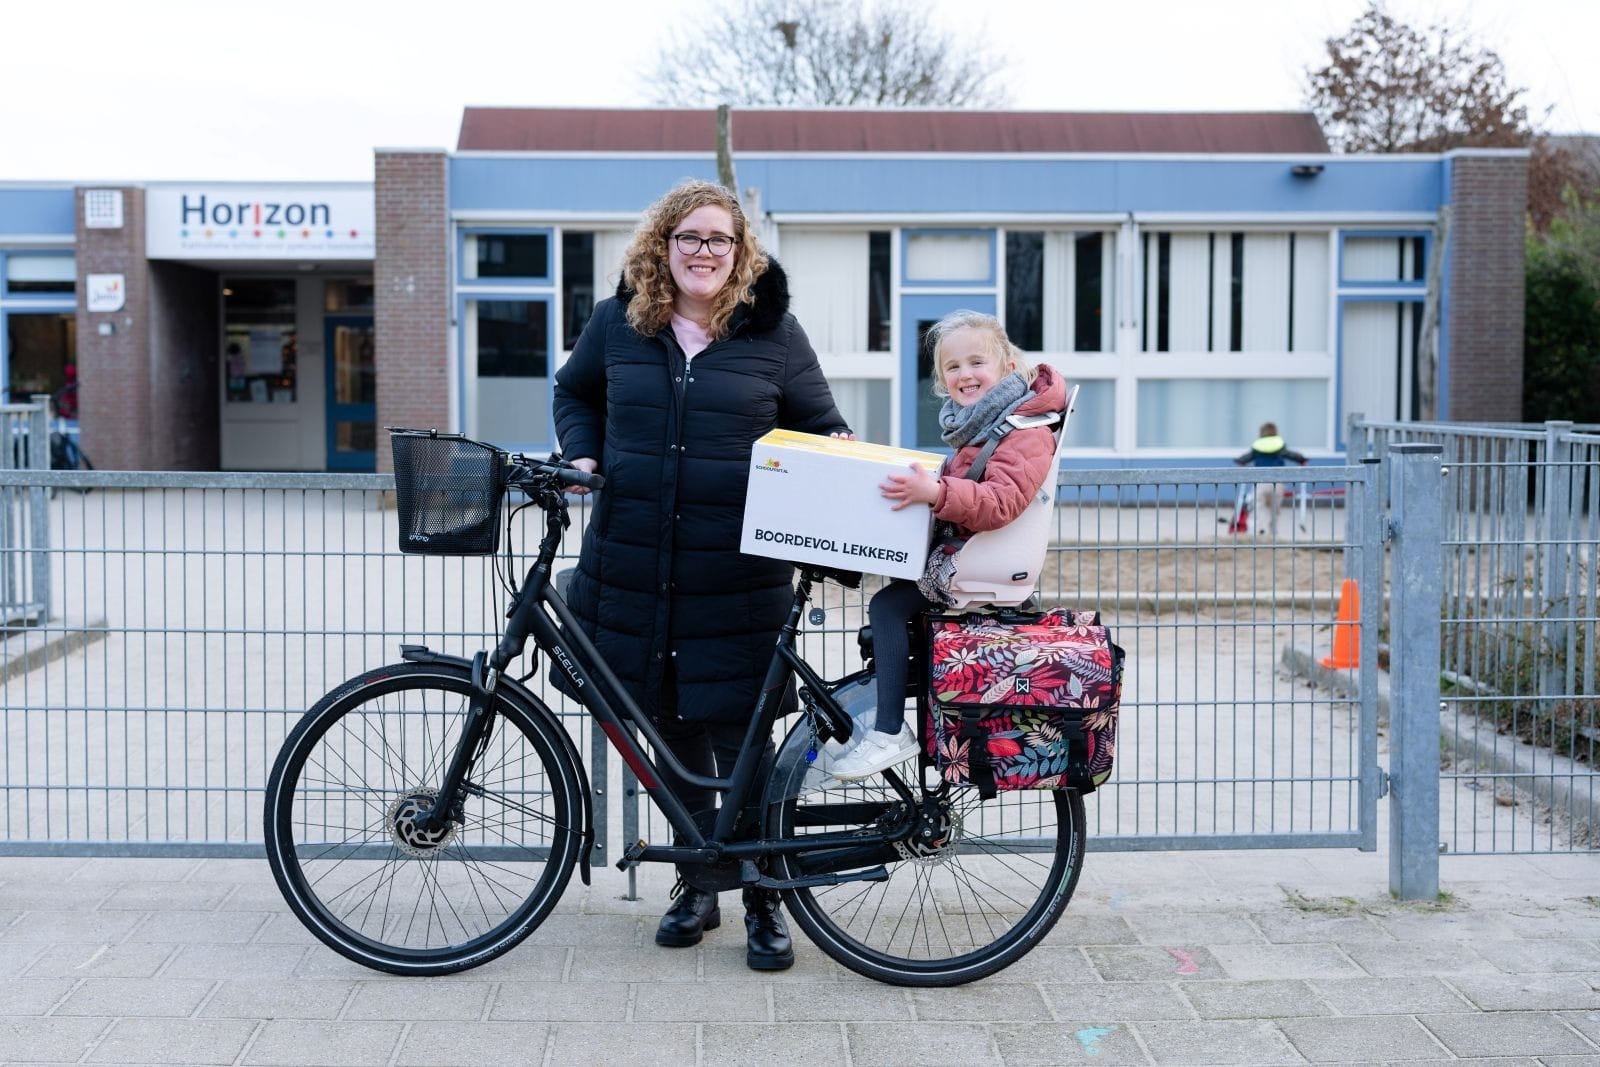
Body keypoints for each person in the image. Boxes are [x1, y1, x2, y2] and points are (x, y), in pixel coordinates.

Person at [552, 179, 851, 971]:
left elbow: (821, 426)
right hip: (635, 567)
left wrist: (846, 461)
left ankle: (762, 895)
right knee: (665, 727)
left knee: (741, 739)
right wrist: (583, 454)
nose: (704, 251)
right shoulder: (619, 323)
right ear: (663, 245)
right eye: (688, 236)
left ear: (739, 249)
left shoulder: (773, 334)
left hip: (737, 575)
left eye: (719, 238)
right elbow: (574, 391)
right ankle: (698, 882)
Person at [830, 310, 1068, 780]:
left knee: (887, 607)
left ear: (1006, 365)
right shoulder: (984, 422)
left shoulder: (1026, 431)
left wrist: (936, 492)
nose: (965, 375)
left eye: (976, 362)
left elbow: (999, 503)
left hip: (979, 561)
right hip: (965, 550)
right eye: (952, 367)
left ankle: (889, 730)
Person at [1230, 421, 1309, 536]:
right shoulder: (1279, 445)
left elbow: (1244, 459)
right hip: (1277, 483)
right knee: (1274, 510)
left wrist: (1239, 462)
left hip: (1260, 482)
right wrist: (1302, 460)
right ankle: (1273, 531)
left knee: (1258, 506)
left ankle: (1260, 529)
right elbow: (1292, 455)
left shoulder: (1258, 446)